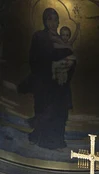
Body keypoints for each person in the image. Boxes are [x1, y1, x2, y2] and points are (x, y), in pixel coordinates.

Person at [20, 8, 76, 150]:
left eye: (55, 19)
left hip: (60, 85)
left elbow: (70, 59)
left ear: (58, 21)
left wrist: (66, 67)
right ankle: (40, 138)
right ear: (44, 21)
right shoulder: (38, 36)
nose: (52, 23)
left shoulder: (61, 39)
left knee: (60, 113)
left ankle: (56, 142)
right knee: (44, 110)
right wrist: (50, 66)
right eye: (49, 19)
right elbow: (33, 59)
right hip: (43, 82)